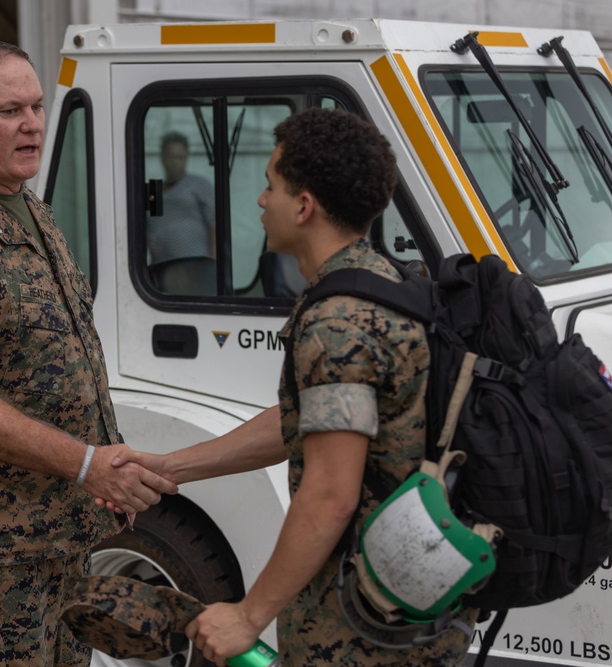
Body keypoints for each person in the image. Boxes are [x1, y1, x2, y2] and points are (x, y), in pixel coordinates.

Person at [109, 108, 478, 666]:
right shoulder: (387, 282)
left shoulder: (339, 325)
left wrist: (247, 615)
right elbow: (306, 421)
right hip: (409, 608)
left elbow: (330, 497)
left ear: (303, 207)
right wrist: (172, 468)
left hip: (367, 630)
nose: (261, 201)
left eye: (270, 186)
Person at [0, 38, 177, 666]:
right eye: (10, 110)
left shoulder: (31, 211)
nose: (33, 125)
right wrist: (85, 463)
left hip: (57, 540)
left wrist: (97, 469)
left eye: (39, 107)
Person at [147, 131, 217, 294]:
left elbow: (215, 225)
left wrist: (212, 262)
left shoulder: (199, 185)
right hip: (163, 270)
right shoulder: (152, 193)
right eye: (171, 156)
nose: (175, 163)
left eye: (180, 157)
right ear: (162, 157)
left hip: (198, 267)